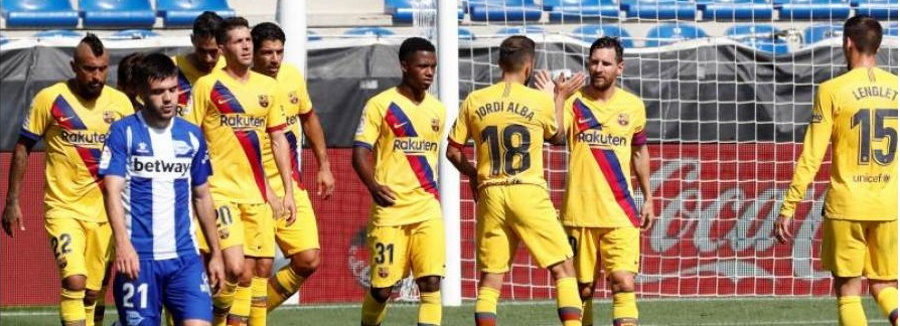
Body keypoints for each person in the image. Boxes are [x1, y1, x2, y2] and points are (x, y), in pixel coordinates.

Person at [445, 35, 585, 326]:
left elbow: (452, 150)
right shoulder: (537, 100)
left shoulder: (475, 99)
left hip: (491, 194)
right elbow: (558, 137)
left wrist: (472, 174)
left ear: (499, 64)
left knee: (491, 280)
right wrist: (560, 96)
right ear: (529, 66)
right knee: (563, 268)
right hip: (527, 191)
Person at [1, 34, 133, 326]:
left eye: (102, 68)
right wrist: (12, 201)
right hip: (64, 209)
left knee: (93, 290)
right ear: (73, 66)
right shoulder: (50, 99)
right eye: (89, 68)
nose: (96, 76)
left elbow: (133, 155)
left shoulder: (121, 103)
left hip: (107, 212)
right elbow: (23, 147)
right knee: (75, 280)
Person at [775, 15, 898, 326]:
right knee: (884, 284)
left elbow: (811, 156)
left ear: (847, 43)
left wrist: (789, 206)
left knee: (848, 287)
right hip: (888, 205)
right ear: (879, 46)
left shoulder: (831, 89)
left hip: (847, 206)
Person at [100, 53, 226, 326]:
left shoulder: (192, 135)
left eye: (173, 89)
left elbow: (202, 194)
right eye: (158, 92)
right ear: (142, 93)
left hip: (185, 259)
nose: (168, 98)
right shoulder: (124, 132)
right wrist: (123, 245)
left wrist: (216, 252)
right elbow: (111, 191)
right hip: (139, 259)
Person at [187, 16, 297, 326]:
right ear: (222, 48)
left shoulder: (268, 87)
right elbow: (189, 137)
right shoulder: (207, 86)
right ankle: (215, 316)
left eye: (248, 40)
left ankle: (222, 318)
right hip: (220, 193)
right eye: (238, 41)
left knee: (256, 271)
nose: (247, 46)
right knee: (234, 268)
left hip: (257, 195)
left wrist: (286, 192)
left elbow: (278, 139)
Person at [552, 37, 655, 326]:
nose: (599, 68)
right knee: (582, 290)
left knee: (623, 282)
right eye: (594, 62)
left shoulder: (633, 106)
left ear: (619, 68)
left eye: (606, 63)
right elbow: (557, 138)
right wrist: (558, 98)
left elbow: (639, 152)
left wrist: (648, 197)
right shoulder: (574, 103)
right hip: (579, 212)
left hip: (620, 212)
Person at [352, 37, 446, 326]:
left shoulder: (438, 110)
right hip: (391, 210)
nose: (429, 72)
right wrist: (373, 186)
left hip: (426, 207)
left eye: (433, 66)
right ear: (405, 66)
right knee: (382, 289)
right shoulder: (380, 105)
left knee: (431, 282)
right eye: (422, 66)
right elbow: (359, 154)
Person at [249, 22, 335, 311]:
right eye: (267, 52)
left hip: (289, 187)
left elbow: (308, 118)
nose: (274, 59)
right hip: (249, 190)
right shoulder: (237, 83)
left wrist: (324, 165)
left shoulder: (292, 77)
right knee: (248, 270)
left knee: (308, 259)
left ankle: (250, 316)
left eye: (279, 52)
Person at [174, 11, 226, 118]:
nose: (207, 59)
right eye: (202, 51)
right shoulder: (171, 67)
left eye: (213, 52)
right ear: (192, 40)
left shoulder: (230, 69)